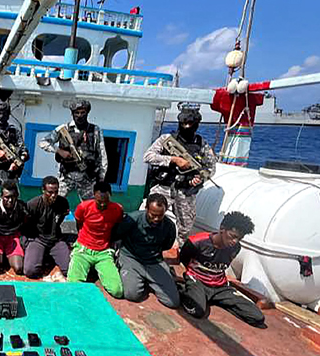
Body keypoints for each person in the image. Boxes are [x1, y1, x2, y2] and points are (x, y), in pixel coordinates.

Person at [179, 212, 266, 328]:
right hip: (197, 281)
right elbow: (184, 259)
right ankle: (183, 289)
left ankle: (215, 299)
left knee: (257, 318)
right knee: (197, 311)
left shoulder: (235, 248)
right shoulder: (197, 242)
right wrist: (194, 276)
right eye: (232, 236)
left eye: (239, 239)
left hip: (220, 286)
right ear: (222, 229)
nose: (234, 241)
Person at [143, 107, 216, 246]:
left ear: (196, 125)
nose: (186, 127)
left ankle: (177, 252)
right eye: (184, 123)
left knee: (185, 227)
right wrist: (173, 159)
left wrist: (199, 179)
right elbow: (148, 156)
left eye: (190, 124)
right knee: (148, 216)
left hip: (185, 191)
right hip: (164, 186)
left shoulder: (202, 145)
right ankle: (144, 244)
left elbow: (210, 168)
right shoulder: (167, 139)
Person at [113, 193, 179, 308]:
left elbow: (167, 246)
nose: (156, 219)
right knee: (132, 295)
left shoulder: (169, 226)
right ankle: (134, 275)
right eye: (153, 215)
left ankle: (161, 276)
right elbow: (116, 235)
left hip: (154, 261)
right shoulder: (132, 219)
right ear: (146, 209)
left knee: (172, 302)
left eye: (160, 215)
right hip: (131, 258)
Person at [38, 99, 107, 201]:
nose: (80, 115)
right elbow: (43, 142)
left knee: (90, 207)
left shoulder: (95, 130)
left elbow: (102, 154)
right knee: (56, 202)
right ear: (72, 113)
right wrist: (59, 151)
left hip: (87, 177)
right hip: (66, 176)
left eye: (83, 112)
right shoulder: (63, 129)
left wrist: (101, 178)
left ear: (87, 113)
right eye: (76, 112)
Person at [67, 182, 124, 298]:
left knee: (117, 291)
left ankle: (97, 270)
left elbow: (117, 226)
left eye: (106, 201)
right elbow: (79, 223)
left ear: (111, 195)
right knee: (72, 288)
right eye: (99, 201)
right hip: (83, 249)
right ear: (94, 196)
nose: (102, 205)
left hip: (103, 252)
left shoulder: (117, 209)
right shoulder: (83, 207)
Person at [22, 176, 71, 279]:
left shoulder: (63, 203)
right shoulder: (33, 204)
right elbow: (25, 227)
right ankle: (42, 255)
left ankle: (47, 255)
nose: (53, 196)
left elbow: (60, 219)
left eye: (56, 192)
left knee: (69, 270)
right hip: (38, 240)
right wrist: (28, 243)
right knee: (30, 271)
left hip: (56, 240)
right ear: (43, 190)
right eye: (50, 192)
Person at [0, 181, 28, 274]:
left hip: (13, 236)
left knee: (18, 268)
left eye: (13, 197)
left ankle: (8, 257)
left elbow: (26, 222)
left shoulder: (21, 207)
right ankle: (2, 257)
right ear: (1, 196)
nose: (10, 200)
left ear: (17, 195)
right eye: (7, 197)